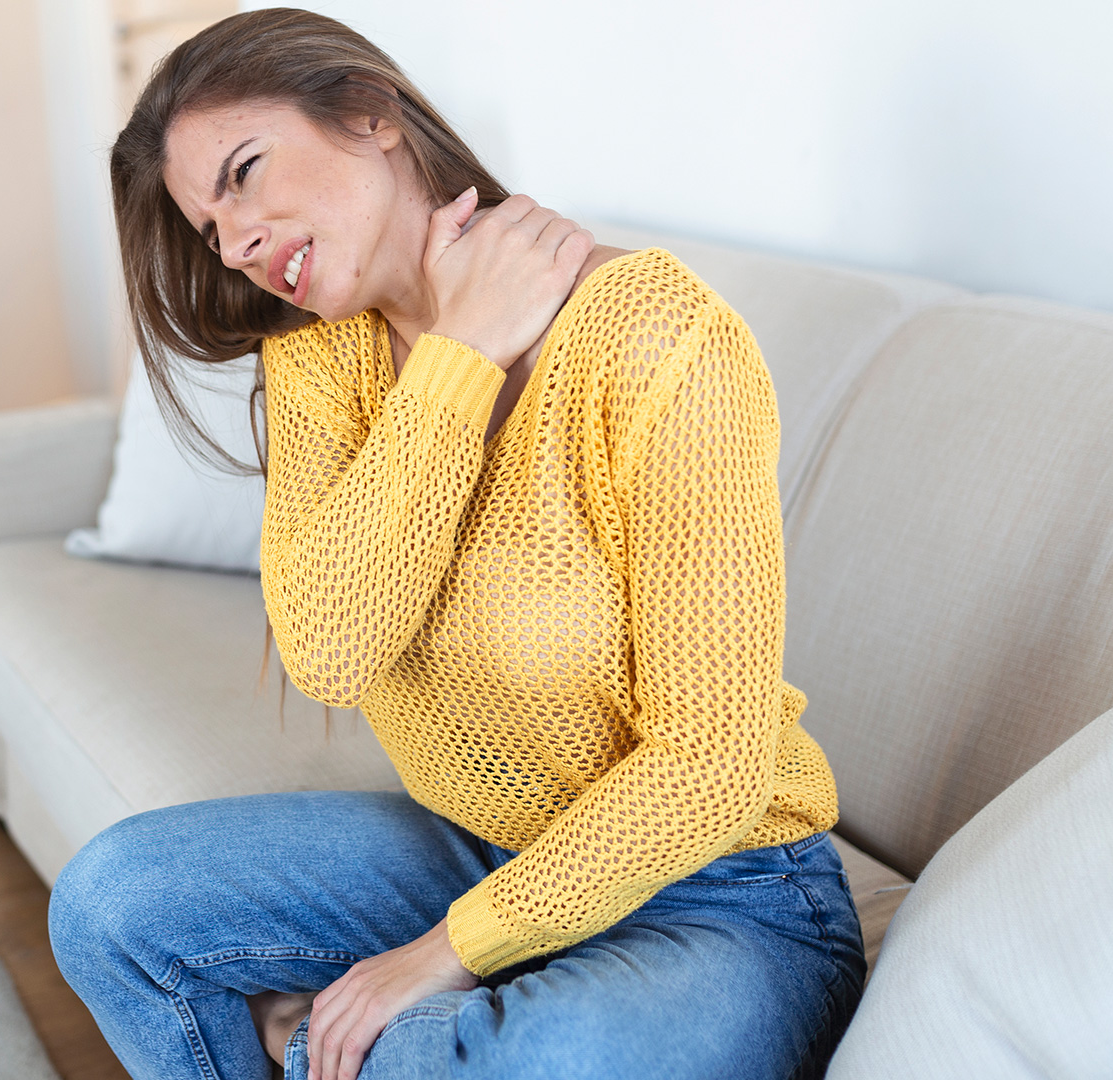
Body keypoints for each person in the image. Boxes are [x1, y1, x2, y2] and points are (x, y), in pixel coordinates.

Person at [48, 9, 866, 1080]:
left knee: (517, 1057)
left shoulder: (657, 338)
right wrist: (463, 350)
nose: (237, 242)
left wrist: (443, 955)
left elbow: (709, 763)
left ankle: (319, 1041)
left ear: (370, 115)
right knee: (111, 906)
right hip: (479, 846)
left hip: (718, 890)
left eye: (245, 173)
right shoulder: (320, 356)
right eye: (210, 229)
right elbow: (329, 652)